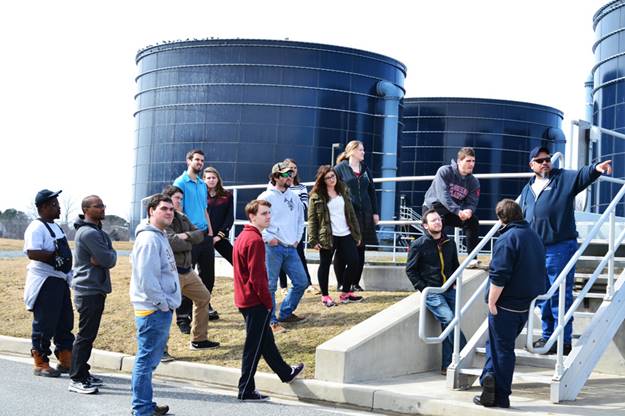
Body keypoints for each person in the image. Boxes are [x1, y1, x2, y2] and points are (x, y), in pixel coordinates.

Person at [520, 146, 612, 355]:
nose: (545, 163)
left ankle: (563, 339)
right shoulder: (527, 189)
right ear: (531, 165)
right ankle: (547, 335)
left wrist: (597, 168)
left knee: (560, 293)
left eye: (547, 159)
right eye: (540, 160)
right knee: (541, 293)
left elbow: (582, 176)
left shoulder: (562, 179)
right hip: (535, 249)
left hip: (559, 246)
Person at [474, 199, 546, 408]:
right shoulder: (533, 236)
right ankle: (489, 379)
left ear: (501, 218)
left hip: (505, 305)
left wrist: (492, 302)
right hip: (524, 304)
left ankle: (501, 396)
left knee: (502, 350)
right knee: (495, 346)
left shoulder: (507, 239)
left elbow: (499, 275)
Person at [233, 199, 304, 401]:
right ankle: (245, 389)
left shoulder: (244, 236)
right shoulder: (255, 240)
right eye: (264, 213)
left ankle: (285, 372)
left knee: (265, 341)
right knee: (254, 347)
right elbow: (257, 277)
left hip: (246, 299)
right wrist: (267, 302)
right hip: (255, 301)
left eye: (269, 213)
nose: (268, 217)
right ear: (252, 216)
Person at [130, 193, 181, 416]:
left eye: (171, 209)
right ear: (151, 211)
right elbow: (147, 279)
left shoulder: (159, 235)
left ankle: (145, 404)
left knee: (149, 361)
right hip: (153, 310)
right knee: (146, 361)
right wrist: (163, 304)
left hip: (159, 308)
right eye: (164, 209)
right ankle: (141, 409)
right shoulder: (149, 239)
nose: (169, 212)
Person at [405, 208, 466, 375]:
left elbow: (455, 266)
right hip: (432, 292)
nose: (438, 222)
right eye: (433, 220)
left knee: (450, 325)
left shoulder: (450, 243)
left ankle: (447, 365)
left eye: (439, 219)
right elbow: (410, 270)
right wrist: (424, 289)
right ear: (425, 226)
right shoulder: (418, 245)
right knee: (451, 320)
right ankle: (467, 350)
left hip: (449, 290)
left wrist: (453, 282)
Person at [162, 185, 219, 357]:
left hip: (187, 271)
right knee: (165, 310)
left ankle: (199, 339)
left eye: (181, 198)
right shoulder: (163, 220)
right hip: (172, 272)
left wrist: (185, 237)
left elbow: (199, 234)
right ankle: (161, 349)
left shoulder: (183, 217)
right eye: (176, 198)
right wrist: (188, 238)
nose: (179, 202)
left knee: (203, 297)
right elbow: (172, 243)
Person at [23, 189, 74, 378]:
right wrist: (54, 258)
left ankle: (65, 356)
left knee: (65, 319)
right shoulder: (36, 227)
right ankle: (41, 360)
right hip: (45, 281)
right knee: (45, 323)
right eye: (55, 205)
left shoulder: (56, 227)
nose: (59, 208)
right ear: (44, 207)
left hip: (60, 280)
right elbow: (32, 252)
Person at [68, 195, 117, 394]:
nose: (102, 208)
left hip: (94, 289)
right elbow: (109, 259)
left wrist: (107, 255)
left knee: (88, 334)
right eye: (98, 206)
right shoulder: (89, 233)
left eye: (103, 205)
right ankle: (77, 378)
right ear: (86, 210)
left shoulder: (97, 232)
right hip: (88, 290)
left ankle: (83, 371)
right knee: (85, 335)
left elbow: (109, 256)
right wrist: (107, 256)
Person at [257, 161, 308, 334]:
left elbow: (301, 220)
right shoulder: (266, 196)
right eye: (286, 174)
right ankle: (271, 321)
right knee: (270, 286)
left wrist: (297, 239)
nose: (290, 176)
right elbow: (255, 220)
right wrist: (269, 238)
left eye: (291, 173)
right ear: (276, 177)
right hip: (273, 247)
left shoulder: (294, 197)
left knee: (302, 282)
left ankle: (285, 313)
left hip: (291, 247)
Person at [173, 149, 218, 333]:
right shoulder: (180, 182)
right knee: (185, 277)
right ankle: (183, 318)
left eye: (202, 160)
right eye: (197, 160)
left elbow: (205, 210)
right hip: (189, 237)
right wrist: (187, 233)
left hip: (204, 235)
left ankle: (202, 307)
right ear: (188, 161)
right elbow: (178, 209)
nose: (199, 163)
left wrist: (211, 232)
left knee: (208, 275)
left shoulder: (201, 184)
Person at [308, 165, 363, 307]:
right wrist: (313, 240)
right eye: (328, 178)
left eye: (333, 176)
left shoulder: (343, 190)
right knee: (325, 265)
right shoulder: (316, 196)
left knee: (354, 261)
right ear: (322, 180)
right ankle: (325, 296)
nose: (331, 179)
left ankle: (345, 293)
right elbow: (312, 219)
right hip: (328, 235)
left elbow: (351, 214)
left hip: (346, 233)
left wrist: (356, 234)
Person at [422, 147, 481, 267]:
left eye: (473, 161)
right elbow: (443, 196)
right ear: (459, 161)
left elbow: (472, 201)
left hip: (453, 211)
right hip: (433, 208)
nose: (472, 164)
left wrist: (469, 211)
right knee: (437, 234)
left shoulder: (473, 182)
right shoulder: (444, 171)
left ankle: (472, 258)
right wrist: (458, 211)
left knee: (473, 221)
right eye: (468, 161)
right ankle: (430, 261)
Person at [334, 140, 379, 292]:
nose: (363, 152)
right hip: (346, 214)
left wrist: (375, 212)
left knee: (360, 248)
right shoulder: (340, 169)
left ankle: (355, 282)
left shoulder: (365, 169)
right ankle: (341, 282)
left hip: (364, 214)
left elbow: (372, 191)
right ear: (352, 151)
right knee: (343, 249)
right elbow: (334, 191)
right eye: (361, 150)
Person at [278, 158, 314, 295]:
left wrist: (290, 202)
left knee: (300, 255)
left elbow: (304, 205)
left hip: (294, 227)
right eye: (290, 168)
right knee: (280, 256)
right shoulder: (278, 187)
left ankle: (308, 283)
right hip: (282, 228)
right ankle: (283, 286)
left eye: (295, 168)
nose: (292, 171)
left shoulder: (301, 187)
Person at [204, 166, 234, 265]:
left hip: (220, 237)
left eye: (214, 177)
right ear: (204, 179)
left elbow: (229, 217)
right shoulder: (201, 195)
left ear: (218, 179)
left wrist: (219, 236)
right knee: (205, 268)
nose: (211, 180)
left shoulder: (227, 195)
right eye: (208, 178)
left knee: (237, 261)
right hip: (203, 236)